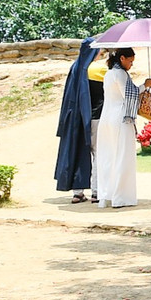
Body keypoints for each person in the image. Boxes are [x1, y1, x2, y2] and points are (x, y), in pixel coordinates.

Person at [91, 48, 140, 209]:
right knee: (123, 157)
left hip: (107, 118)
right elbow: (130, 95)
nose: (131, 64)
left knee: (108, 156)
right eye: (130, 61)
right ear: (122, 58)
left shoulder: (109, 73)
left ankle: (106, 196)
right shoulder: (120, 74)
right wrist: (146, 86)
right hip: (121, 119)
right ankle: (121, 197)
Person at [53, 38, 98, 204]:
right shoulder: (91, 69)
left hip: (73, 117)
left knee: (76, 152)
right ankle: (96, 191)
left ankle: (78, 192)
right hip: (87, 117)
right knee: (96, 154)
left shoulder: (75, 67)